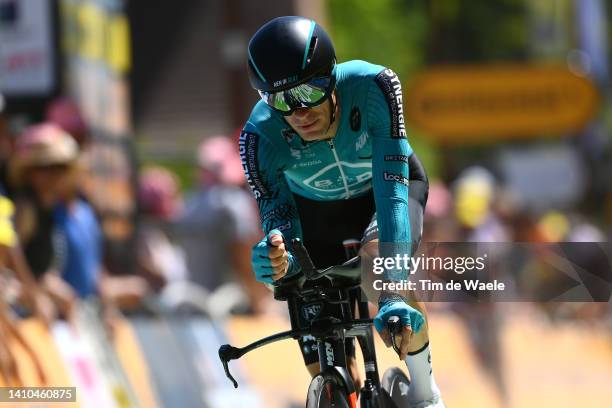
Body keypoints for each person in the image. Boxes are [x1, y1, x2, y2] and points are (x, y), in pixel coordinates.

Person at [241, 16, 444, 407]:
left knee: (380, 270)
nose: (299, 112)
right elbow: (279, 220)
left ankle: (424, 394)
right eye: (281, 99)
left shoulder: (374, 87)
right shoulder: (258, 135)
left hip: (383, 195)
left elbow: (392, 196)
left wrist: (390, 290)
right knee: (322, 354)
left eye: (307, 92)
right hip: (315, 217)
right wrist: (275, 255)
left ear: (331, 78)